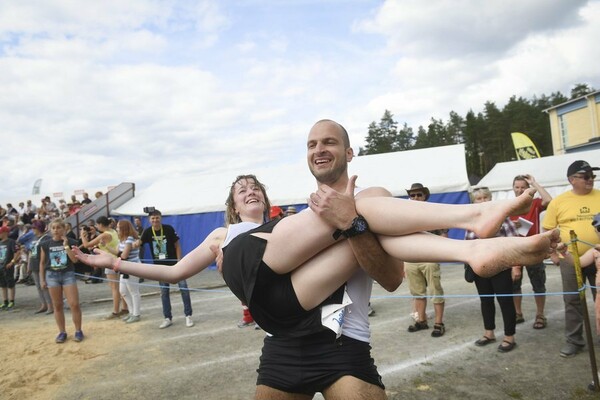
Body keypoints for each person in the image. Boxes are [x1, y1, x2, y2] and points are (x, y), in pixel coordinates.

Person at [74, 121, 559, 399]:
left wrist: (353, 222)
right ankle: (473, 230)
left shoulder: (310, 220)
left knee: (364, 208)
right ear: (232, 202)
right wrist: (113, 266)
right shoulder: (228, 234)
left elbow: (388, 275)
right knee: (363, 203)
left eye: (255, 186)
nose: (249, 191)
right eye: (240, 189)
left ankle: (475, 242)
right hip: (275, 318)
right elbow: (173, 272)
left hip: (318, 322)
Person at [542, 160, 600, 358]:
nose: (591, 179)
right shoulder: (558, 202)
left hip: (599, 258)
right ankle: (575, 341)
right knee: (573, 300)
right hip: (569, 259)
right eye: (586, 176)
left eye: (592, 176)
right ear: (571, 179)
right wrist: (552, 254)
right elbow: (547, 231)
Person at [467, 187, 519, 353]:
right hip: (479, 268)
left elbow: (515, 243)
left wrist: (516, 267)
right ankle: (489, 333)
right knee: (486, 301)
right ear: (474, 202)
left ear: (490, 199)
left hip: (501, 266)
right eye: (478, 199)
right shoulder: (470, 221)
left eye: (485, 197)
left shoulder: (503, 217)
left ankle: (509, 336)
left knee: (505, 301)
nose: (482, 201)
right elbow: (468, 245)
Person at [404, 183, 447, 337]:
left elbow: (444, 232)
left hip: (429, 258)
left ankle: (438, 323)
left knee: (436, 291)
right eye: (412, 195)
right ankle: (421, 321)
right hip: (411, 258)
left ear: (425, 196)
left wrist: (439, 250)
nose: (415, 197)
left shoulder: (433, 211)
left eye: (419, 195)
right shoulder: (404, 214)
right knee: (417, 293)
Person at [510, 174, 552, 329]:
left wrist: (535, 183)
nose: (520, 190)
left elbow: (549, 201)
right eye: (517, 187)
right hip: (514, 249)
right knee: (514, 284)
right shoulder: (509, 206)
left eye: (523, 187)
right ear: (513, 188)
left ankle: (540, 315)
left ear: (528, 189)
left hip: (534, 248)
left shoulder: (534, 203)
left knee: (538, 283)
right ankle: (518, 313)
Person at [139, 210, 194, 329]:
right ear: (149, 220)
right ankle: (167, 318)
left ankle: (188, 315)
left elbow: (177, 245)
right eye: (152, 218)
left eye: (157, 218)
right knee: (164, 293)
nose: (155, 220)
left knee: (184, 289)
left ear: (161, 218)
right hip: (160, 268)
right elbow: (139, 243)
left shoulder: (168, 228)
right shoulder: (148, 232)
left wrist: (180, 260)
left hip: (175, 265)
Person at [39, 218, 83, 343]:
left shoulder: (71, 241)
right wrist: (42, 279)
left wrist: (66, 246)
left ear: (64, 229)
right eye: (53, 228)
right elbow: (42, 263)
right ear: (50, 230)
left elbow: (74, 260)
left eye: (59, 227)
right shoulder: (45, 244)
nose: (56, 230)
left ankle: (78, 330)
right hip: (52, 276)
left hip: (67, 274)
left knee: (74, 304)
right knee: (57, 305)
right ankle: (62, 332)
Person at [81, 216, 125, 319]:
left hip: (110, 262)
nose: (96, 227)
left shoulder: (104, 235)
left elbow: (86, 245)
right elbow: (107, 244)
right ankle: (124, 308)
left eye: (97, 225)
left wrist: (82, 235)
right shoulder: (112, 231)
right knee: (120, 288)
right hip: (116, 260)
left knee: (114, 288)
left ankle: (115, 311)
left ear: (100, 224)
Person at [116, 220, 142, 323]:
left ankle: (136, 314)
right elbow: (117, 252)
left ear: (123, 229)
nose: (117, 229)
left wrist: (118, 254)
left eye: (118, 227)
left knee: (133, 291)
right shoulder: (122, 240)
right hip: (125, 267)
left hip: (132, 267)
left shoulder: (129, 239)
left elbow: (124, 255)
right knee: (123, 291)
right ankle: (131, 312)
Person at [28, 220, 53, 314]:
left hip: (43, 264)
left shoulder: (46, 238)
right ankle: (43, 304)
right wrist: (28, 265)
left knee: (45, 286)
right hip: (34, 264)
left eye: (34, 227)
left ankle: (50, 305)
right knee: (38, 286)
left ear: (39, 228)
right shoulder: (33, 238)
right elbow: (30, 252)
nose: (32, 229)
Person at [0, 226, 18, 310]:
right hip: (1, 265)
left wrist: (12, 261)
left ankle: (11, 300)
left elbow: (16, 252)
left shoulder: (11, 242)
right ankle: (5, 301)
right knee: (2, 284)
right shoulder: (0, 243)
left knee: (10, 283)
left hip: (8, 265)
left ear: (5, 233)